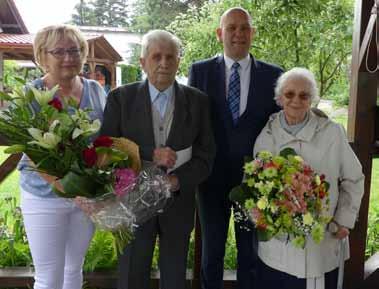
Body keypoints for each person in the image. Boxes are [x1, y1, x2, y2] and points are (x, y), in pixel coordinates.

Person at [100, 29, 215, 289]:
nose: (164, 63)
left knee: (175, 278)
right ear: (143, 62)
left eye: (170, 57)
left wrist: (177, 180)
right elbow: (106, 148)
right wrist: (148, 152)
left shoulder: (198, 102)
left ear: (178, 61)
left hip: (179, 204)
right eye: (156, 57)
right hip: (133, 203)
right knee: (132, 274)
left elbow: (206, 155)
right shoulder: (121, 98)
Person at [188, 7, 283, 289]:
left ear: (253, 33)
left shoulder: (274, 75)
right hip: (211, 179)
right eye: (232, 28)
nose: (238, 34)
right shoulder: (200, 71)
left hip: (253, 182)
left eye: (244, 28)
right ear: (220, 34)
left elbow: (282, 121)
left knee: (249, 253)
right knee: (212, 252)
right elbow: (191, 122)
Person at [253, 67, 364, 289]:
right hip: (278, 249)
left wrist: (344, 220)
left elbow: (354, 178)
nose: (296, 100)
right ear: (279, 98)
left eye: (304, 95)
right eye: (289, 94)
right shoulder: (266, 136)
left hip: (320, 245)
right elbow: (256, 186)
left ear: (312, 99)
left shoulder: (332, 133)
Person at [18, 24, 107, 289]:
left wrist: (97, 183)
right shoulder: (31, 94)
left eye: (75, 50)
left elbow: (106, 140)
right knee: (48, 277)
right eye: (59, 51)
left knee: (73, 270)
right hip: (44, 196)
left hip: (85, 198)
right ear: (42, 56)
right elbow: (32, 152)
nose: (69, 57)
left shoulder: (96, 90)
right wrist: (67, 188)